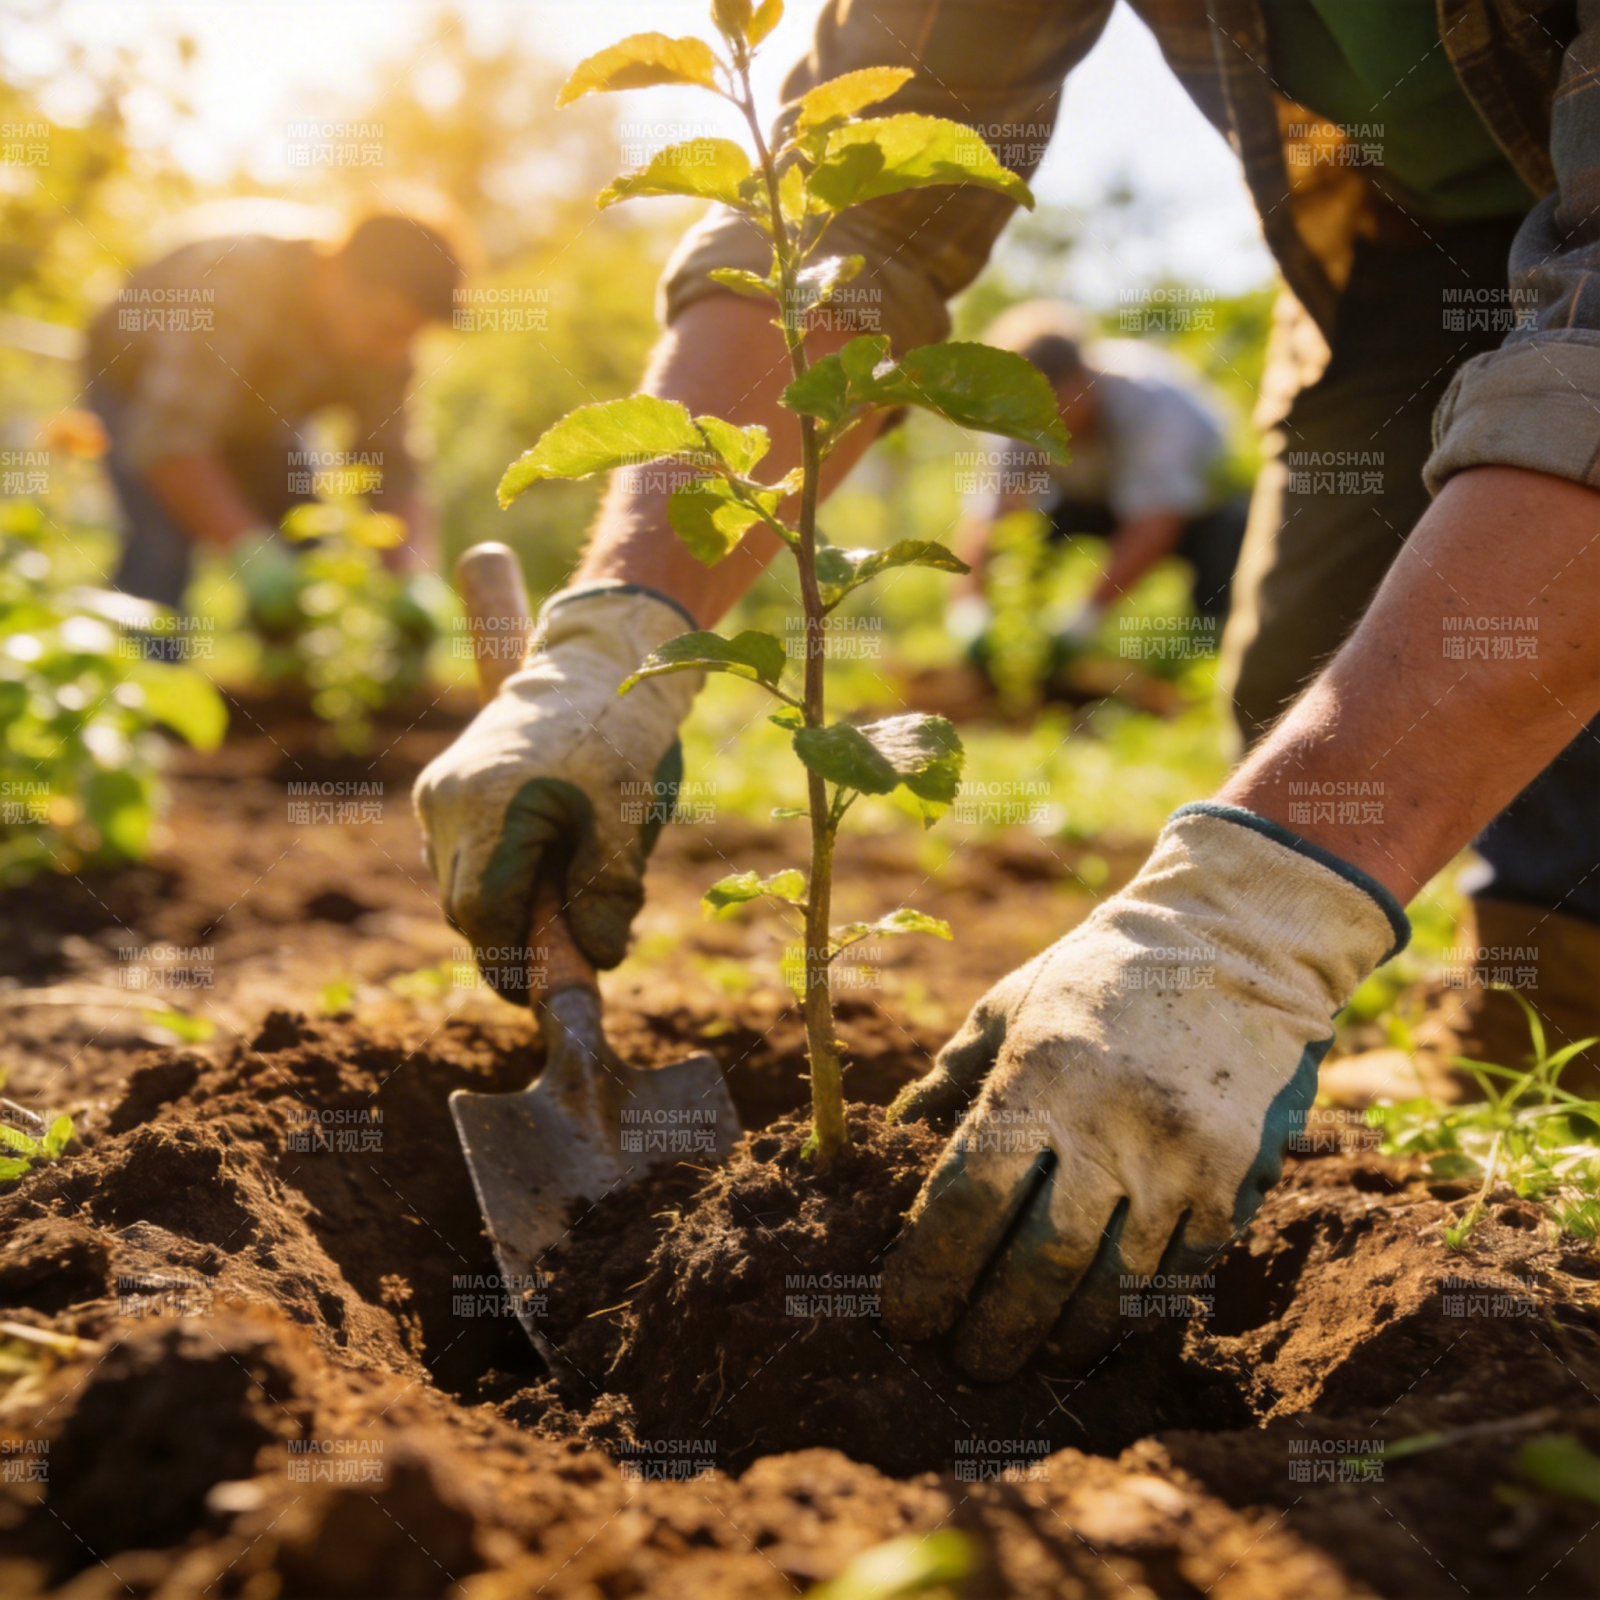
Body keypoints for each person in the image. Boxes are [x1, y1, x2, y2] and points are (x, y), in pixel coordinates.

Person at [414, 0, 1600, 1380]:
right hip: (1392, 241)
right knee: (1304, 679)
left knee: (1516, 627)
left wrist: (1257, 924)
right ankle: (1245, 1085)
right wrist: (618, 632)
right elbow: (848, 221)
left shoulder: (1145, 416)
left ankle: (1553, 1022)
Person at [86, 209, 463, 620]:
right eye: (387, 328)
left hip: (261, 419)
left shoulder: (385, 342)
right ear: (336, 272)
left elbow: (394, 467)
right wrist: (251, 554)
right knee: (160, 546)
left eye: (409, 336)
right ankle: (141, 670)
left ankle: (298, 668)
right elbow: (169, 439)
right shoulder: (237, 280)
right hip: (137, 392)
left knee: (311, 544)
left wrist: (408, 575)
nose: (395, 352)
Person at [953, 301, 1248, 658]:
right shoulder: (1014, 415)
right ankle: (1019, 645)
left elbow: (1157, 520)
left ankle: (1211, 652)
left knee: (1227, 542)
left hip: (1197, 507)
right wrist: (968, 612)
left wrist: (1083, 620)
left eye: (1057, 411)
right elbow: (994, 514)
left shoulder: (1150, 400)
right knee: (1028, 535)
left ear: (1082, 377)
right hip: (1097, 501)